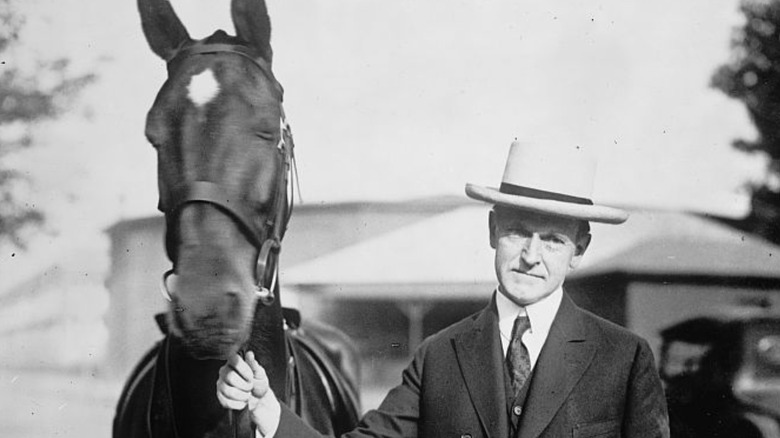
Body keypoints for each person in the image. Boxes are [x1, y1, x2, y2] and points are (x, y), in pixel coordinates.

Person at [216, 140, 671, 438]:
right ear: (493, 230)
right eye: (517, 232)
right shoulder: (440, 356)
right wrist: (267, 409)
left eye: (553, 239)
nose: (531, 255)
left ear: (580, 247)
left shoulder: (624, 359)